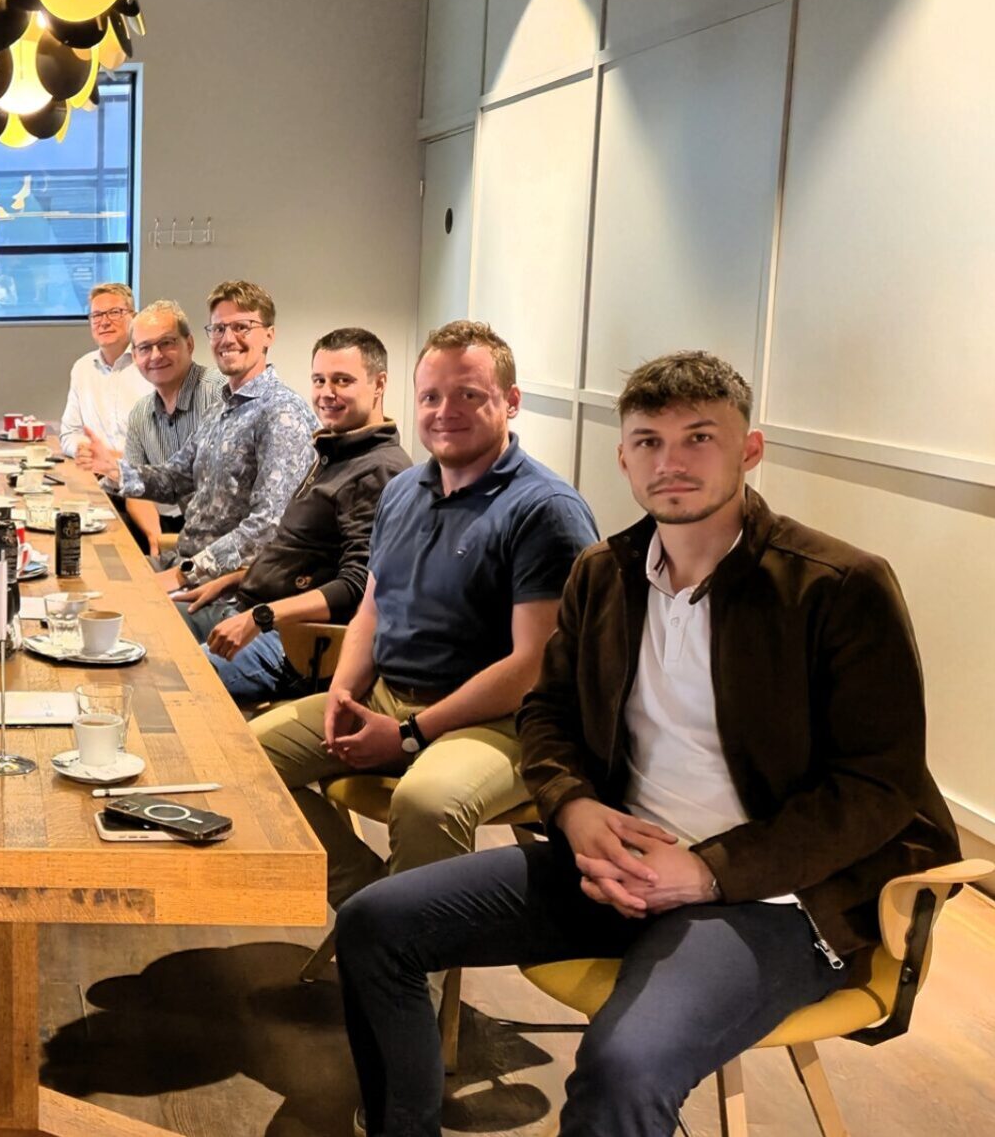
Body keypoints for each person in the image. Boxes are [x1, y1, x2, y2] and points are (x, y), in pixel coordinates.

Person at [335, 350, 960, 1137]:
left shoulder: (838, 586)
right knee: (373, 924)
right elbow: (548, 715)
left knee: (622, 1067)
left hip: (771, 894)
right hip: (615, 864)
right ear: (623, 457)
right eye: (649, 442)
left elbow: (878, 786)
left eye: (699, 438)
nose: (672, 462)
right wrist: (574, 809)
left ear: (749, 450)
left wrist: (707, 870)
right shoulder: (604, 573)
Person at [249, 320, 598, 911]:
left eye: (469, 394)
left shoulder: (545, 509)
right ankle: (369, 902)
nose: (444, 411)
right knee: (245, 760)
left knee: (426, 804)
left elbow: (532, 667)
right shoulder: (403, 490)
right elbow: (372, 607)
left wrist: (411, 734)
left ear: (511, 401)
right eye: (431, 396)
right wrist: (342, 691)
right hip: (390, 696)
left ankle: (417, 953)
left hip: (504, 722)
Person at [177, 328, 411, 702]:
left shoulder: (378, 470)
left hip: (293, 640)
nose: (326, 393)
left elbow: (356, 587)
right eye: (319, 380)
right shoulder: (336, 451)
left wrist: (260, 617)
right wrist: (234, 579)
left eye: (343, 381)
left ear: (379, 383)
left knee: (175, 680)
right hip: (248, 606)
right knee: (149, 621)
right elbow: (306, 555)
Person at [76, 280, 316, 593]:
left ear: (269, 334)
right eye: (219, 329)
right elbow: (175, 479)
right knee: (88, 576)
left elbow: (268, 526)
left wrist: (184, 575)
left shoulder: (281, 412)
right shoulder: (223, 407)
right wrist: (113, 469)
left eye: (242, 327)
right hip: (186, 563)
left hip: (226, 588)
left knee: (114, 604)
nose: (228, 338)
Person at [113, 300, 226, 555]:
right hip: (185, 538)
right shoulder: (141, 414)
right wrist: (156, 539)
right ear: (135, 357)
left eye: (166, 343)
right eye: (145, 348)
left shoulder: (221, 394)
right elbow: (137, 492)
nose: (155, 355)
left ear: (189, 344)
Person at [57, 281, 150, 458]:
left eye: (114, 313)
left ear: (134, 317)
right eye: (97, 315)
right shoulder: (83, 368)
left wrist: (113, 459)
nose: (104, 322)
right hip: (95, 470)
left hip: (141, 472)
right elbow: (70, 433)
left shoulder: (152, 365)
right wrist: (83, 450)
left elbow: (166, 447)